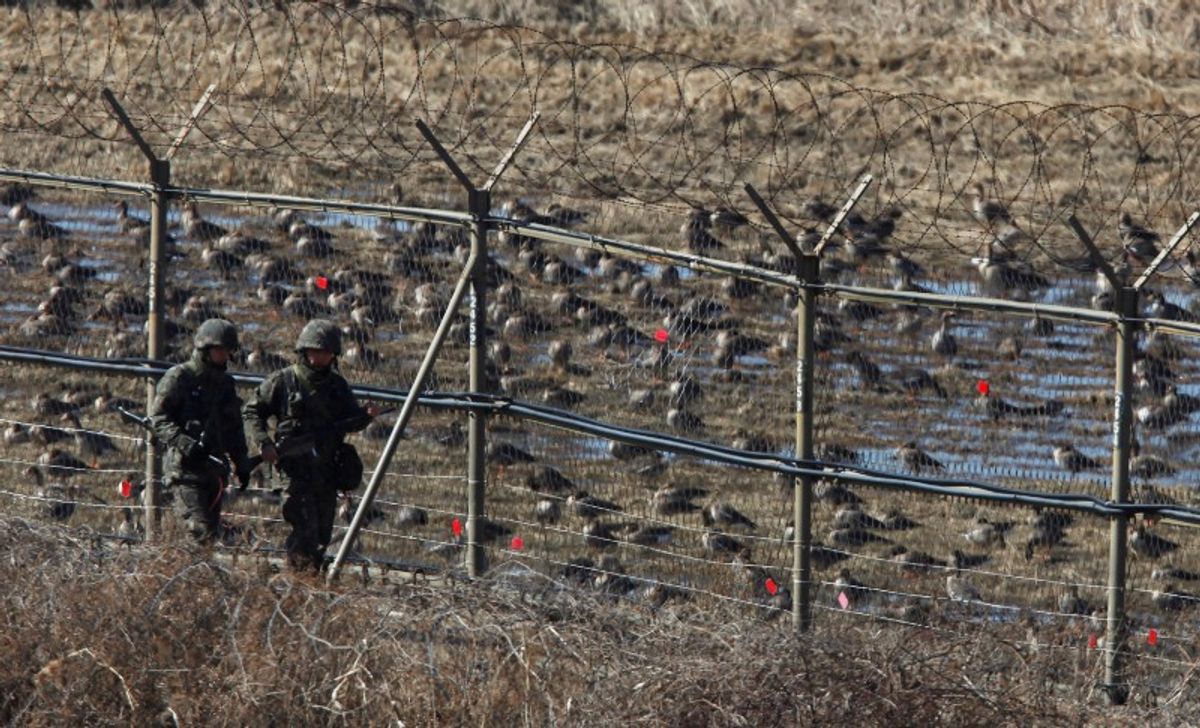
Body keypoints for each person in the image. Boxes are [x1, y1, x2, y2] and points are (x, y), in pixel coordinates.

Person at [242, 319, 382, 573]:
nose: (324, 356)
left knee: (321, 535)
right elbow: (252, 412)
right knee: (304, 530)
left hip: (326, 471)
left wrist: (366, 416)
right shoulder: (283, 381)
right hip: (294, 471)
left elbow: (349, 422)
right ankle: (299, 583)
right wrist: (264, 443)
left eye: (328, 352)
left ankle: (309, 582)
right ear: (305, 351)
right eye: (319, 351)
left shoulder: (337, 386)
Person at [150, 318, 252, 545]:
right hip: (186, 471)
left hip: (214, 472)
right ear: (205, 349)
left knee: (210, 536)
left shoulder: (225, 384)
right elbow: (158, 418)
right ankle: (192, 577)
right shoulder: (180, 378)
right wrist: (185, 443)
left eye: (227, 351)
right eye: (220, 350)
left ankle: (199, 576)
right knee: (199, 533)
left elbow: (234, 428)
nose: (225, 356)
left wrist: (242, 463)